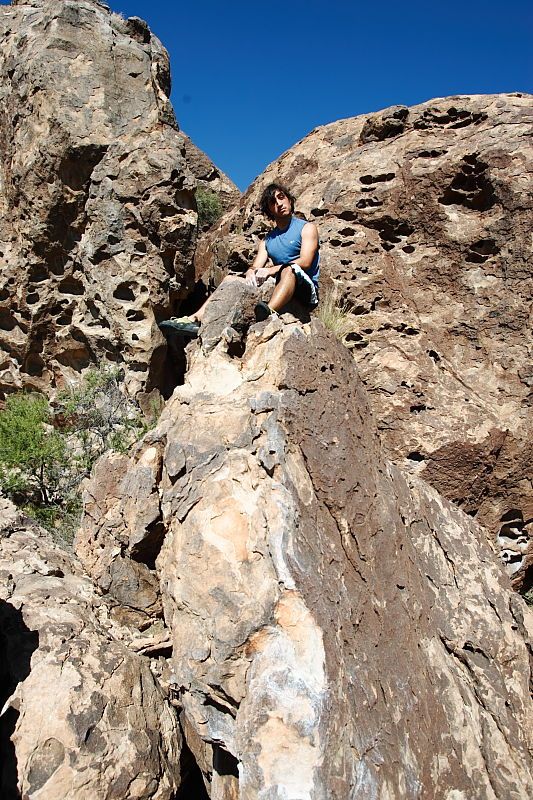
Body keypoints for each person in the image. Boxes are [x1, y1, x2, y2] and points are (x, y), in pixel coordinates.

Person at [160, 183, 320, 337]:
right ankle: (194, 320)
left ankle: (269, 312)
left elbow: (305, 261)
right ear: (269, 210)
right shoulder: (268, 240)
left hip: (305, 289)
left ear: (289, 200)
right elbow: (256, 266)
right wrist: (251, 273)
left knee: (289, 270)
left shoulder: (306, 228)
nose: (279, 203)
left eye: (281, 197)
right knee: (230, 279)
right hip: (279, 283)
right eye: (273, 202)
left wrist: (270, 270)